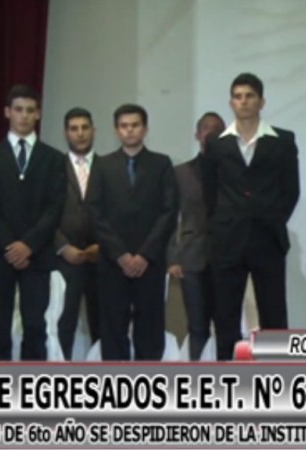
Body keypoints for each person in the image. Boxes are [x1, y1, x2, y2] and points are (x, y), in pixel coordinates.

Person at [203, 73, 300, 361]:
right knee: (225, 316)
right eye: (238, 96)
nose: (243, 101)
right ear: (231, 102)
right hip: (227, 240)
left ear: (261, 101)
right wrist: (223, 224)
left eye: (249, 96)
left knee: (274, 315)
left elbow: (290, 190)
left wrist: (272, 219)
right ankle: (226, 379)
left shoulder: (282, 140)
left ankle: (276, 376)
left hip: (267, 238)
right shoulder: (217, 144)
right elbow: (210, 193)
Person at [0, 84, 66, 361]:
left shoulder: (54, 158)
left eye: (29, 110)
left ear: (38, 114)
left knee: (35, 327)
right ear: (7, 112)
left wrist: (28, 245)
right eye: (18, 110)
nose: (24, 116)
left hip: (37, 255)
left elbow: (55, 207)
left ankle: (31, 384)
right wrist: (10, 246)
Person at [86, 103, 178, 361]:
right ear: (116, 130)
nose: (129, 130)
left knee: (150, 326)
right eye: (124, 126)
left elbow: (169, 212)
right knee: (113, 327)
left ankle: (147, 381)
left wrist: (145, 255)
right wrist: (121, 255)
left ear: (145, 129)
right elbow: (94, 212)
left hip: (150, 261)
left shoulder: (161, 164)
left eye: (135, 125)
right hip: (113, 262)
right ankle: (117, 381)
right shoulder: (102, 165)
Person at [167, 112, 226, 361]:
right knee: (197, 326)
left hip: (227, 256)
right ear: (197, 135)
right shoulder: (180, 173)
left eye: (217, 129)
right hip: (191, 256)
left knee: (226, 326)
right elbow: (169, 217)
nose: (210, 133)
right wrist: (172, 257)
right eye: (206, 128)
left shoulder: (233, 172)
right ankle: (197, 379)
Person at [55, 107, 101, 360]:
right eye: (74, 129)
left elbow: (117, 212)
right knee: (64, 325)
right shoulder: (53, 167)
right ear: (66, 133)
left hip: (102, 258)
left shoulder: (108, 166)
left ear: (94, 131)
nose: (80, 134)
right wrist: (63, 247)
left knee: (103, 325)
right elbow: (45, 213)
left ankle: (105, 377)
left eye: (85, 128)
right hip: (65, 260)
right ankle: (62, 376)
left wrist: (102, 245)